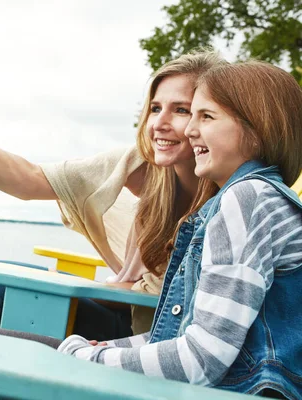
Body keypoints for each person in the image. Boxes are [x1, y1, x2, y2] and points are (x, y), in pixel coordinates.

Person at [0, 50, 223, 340]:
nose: (159, 123)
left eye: (180, 110)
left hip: (145, 335)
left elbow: (163, 299)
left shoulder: (229, 200)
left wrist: (70, 285)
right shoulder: (144, 163)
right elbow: (29, 179)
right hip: (126, 305)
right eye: (155, 108)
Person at [57, 61, 302, 398]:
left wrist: (91, 357)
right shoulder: (254, 197)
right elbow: (179, 336)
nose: (189, 131)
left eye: (207, 117)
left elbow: (202, 360)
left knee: (17, 352)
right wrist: (111, 350)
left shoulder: (247, 200)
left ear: (257, 128)